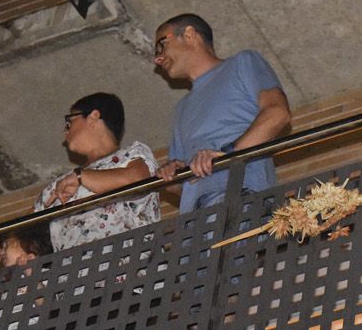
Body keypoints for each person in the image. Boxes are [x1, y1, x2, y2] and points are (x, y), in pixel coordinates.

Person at [152, 13, 293, 213]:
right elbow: (187, 185)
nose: (158, 58)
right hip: (197, 217)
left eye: (162, 45)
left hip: (243, 198)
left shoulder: (242, 63)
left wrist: (228, 155)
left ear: (189, 34)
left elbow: (277, 114)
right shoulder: (181, 108)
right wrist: (170, 177)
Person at [34, 92, 160, 251]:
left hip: (130, 261)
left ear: (93, 117)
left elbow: (137, 180)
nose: (65, 132)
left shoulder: (132, 155)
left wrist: (81, 177)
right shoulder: (60, 183)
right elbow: (23, 232)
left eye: (69, 122)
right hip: (74, 266)